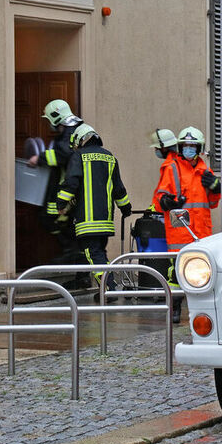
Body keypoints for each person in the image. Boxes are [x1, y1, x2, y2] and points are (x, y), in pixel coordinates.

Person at [153, 126, 221, 322]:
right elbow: (160, 199)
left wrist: (216, 187)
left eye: (192, 146)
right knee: (175, 273)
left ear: (199, 148)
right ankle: (175, 307)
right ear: (180, 147)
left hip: (201, 232)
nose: (189, 149)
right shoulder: (171, 168)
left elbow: (213, 203)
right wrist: (169, 202)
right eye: (185, 146)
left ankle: (204, 310)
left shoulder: (205, 171)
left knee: (202, 273)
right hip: (179, 232)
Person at [56, 124, 132, 297]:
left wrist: (61, 203)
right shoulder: (110, 157)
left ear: (81, 140)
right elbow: (118, 189)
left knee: (93, 255)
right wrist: (126, 208)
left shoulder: (79, 156)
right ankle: (106, 287)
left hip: (87, 220)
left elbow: (72, 183)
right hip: (105, 219)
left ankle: (109, 288)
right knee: (99, 253)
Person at [28, 99, 85, 287]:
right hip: (69, 188)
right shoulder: (75, 130)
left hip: (68, 189)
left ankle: (71, 256)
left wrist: (40, 158)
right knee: (67, 226)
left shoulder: (70, 133)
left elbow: (63, 155)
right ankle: (77, 268)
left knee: (54, 220)